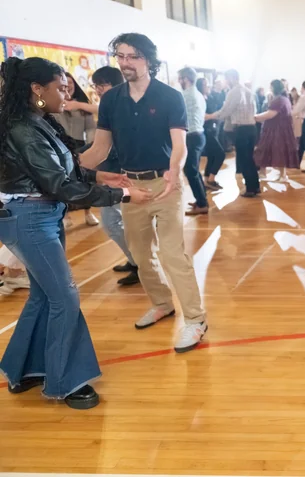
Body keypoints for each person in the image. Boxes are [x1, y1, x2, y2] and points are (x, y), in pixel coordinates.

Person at [0, 56, 150, 409]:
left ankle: (26, 368)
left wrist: (103, 177)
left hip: (44, 214)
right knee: (64, 298)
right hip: (30, 218)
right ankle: (65, 381)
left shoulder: (39, 121)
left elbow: (65, 167)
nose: (67, 92)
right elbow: (59, 184)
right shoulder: (22, 128)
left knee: (44, 295)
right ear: (37, 89)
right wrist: (123, 194)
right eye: (60, 87)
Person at [81, 33, 209, 353]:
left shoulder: (169, 96)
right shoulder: (110, 100)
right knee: (140, 253)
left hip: (165, 184)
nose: (125, 62)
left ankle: (195, 319)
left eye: (133, 56)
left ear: (149, 60)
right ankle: (162, 303)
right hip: (129, 186)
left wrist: (174, 169)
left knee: (171, 253)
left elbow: (179, 143)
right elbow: (100, 148)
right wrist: (64, 166)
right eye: (121, 56)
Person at [90, 66, 140, 286]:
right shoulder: (110, 105)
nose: (99, 90)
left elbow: (110, 145)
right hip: (108, 172)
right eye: (96, 85)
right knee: (114, 222)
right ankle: (135, 260)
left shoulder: (123, 106)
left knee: (115, 222)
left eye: (102, 85)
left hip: (120, 173)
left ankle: (140, 263)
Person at [56, 73, 100, 227]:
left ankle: (88, 212)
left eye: (71, 83)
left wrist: (90, 148)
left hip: (80, 145)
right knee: (63, 180)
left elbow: (90, 128)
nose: (68, 87)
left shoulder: (83, 105)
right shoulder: (53, 103)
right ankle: (66, 214)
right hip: (59, 146)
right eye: (64, 84)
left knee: (85, 180)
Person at [207, 69, 259, 197]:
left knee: (244, 159)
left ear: (231, 78)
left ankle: (250, 189)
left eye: (226, 79)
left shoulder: (234, 91)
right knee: (250, 159)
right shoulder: (248, 91)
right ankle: (255, 186)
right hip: (252, 128)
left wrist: (210, 116)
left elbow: (226, 111)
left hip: (241, 129)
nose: (225, 82)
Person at [254, 79, 300, 182]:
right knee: (273, 151)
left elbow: (271, 114)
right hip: (279, 129)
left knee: (271, 151)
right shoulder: (285, 98)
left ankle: (274, 174)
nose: (269, 89)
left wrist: (256, 117)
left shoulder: (279, 100)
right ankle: (265, 172)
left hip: (275, 130)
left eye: (271, 87)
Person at [178, 68, 209, 216]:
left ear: (186, 79)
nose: (179, 81)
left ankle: (202, 203)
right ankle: (201, 199)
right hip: (198, 135)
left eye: (180, 78)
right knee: (193, 170)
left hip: (192, 136)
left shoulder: (185, 95)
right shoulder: (198, 94)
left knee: (190, 170)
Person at [197, 77, 225, 191]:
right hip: (204, 131)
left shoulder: (210, 97)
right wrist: (214, 115)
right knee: (220, 154)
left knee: (212, 156)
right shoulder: (198, 99)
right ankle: (211, 179)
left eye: (208, 84)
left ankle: (207, 180)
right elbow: (201, 116)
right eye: (205, 85)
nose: (207, 86)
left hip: (213, 130)